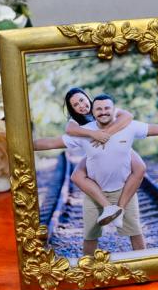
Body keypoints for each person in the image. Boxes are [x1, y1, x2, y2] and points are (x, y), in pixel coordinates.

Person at [34, 93, 158, 255]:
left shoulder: (127, 124)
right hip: (95, 190)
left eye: (106, 108)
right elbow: (52, 142)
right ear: (92, 111)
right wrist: (22, 144)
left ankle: (142, 258)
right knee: (90, 235)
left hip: (123, 187)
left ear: (112, 109)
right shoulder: (82, 130)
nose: (102, 111)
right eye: (76, 105)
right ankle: (88, 264)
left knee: (135, 230)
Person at [61, 87, 146, 226]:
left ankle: (120, 208)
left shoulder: (101, 106)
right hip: (96, 151)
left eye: (82, 100)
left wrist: (106, 134)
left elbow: (128, 116)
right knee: (76, 176)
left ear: (87, 97)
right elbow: (69, 129)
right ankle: (108, 207)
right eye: (75, 105)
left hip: (116, 145)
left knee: (140, 167)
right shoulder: (75, 120)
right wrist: (93, 134)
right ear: (72, 109)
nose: (81, 105)